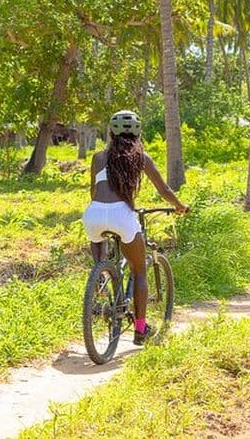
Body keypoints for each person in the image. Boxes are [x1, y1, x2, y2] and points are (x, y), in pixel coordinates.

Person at [82, 110, 189, 345]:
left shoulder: (98, 157)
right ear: (138, 132)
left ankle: (100, 281)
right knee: (139, 271)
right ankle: (140, 330)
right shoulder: (141, 157)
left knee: (100, 247)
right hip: (122, 214)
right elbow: (164, 191)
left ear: (111, 132)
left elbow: (93, 190)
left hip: (94, 214)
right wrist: (180, 206)